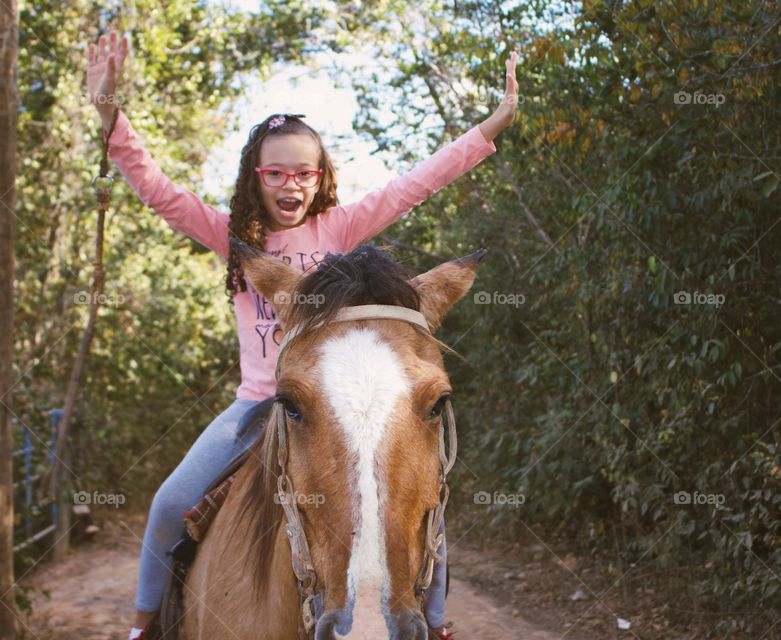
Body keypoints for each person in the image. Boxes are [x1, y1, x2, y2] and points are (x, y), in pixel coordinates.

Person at [85, 30, 519, 640]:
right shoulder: (234, 238)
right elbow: (160, 192)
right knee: (166, 505)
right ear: (255, 176)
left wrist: (490, 128)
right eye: (277, 173)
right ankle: (142, 627)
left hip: (335, 408)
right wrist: (110, 113)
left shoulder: (341, 228)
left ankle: (433, 622)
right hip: (255, 406)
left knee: (417, 505)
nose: (291, 186)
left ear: (320, 178)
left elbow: (413, 184)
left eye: (305, 175)